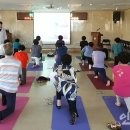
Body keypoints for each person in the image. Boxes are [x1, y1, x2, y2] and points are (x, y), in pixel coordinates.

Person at [50, 54, 79, 125]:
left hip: (61, 89)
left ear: (61, 61)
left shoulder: (58, 67)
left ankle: (58, 104)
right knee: (72, 102)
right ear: (70, 61)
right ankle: (74, 112)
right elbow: (75, 80)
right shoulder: (72, 68)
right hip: (71, 90)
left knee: (57, 88)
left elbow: (54, 78)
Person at [107, 51, 130, 130]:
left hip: (117, 90)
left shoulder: (115, 67)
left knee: (117, 87)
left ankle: (118, 102)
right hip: (127, 93)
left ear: (119, 59)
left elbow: (113, 79)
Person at [0, 42, 22, 121]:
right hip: (10, 89)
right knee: (11, 109)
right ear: (13, 51)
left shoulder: (0, 61)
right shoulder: (18, 62)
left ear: (3, 51)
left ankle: (4, 102)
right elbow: (19, 76)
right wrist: (19, 82)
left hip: (1, 86)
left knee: (4, 88)